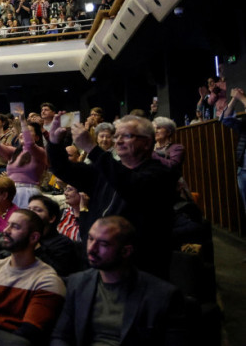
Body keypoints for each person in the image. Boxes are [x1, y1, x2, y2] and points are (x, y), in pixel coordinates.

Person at [46, 115, 178, 279]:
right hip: (98, 263)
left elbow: (132, 187)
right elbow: (63, 169)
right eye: (117, 136)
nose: (119, 141)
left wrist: (92, 149)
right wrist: (54, 143)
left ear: (147, 142)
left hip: (138, 271)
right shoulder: (105, 171)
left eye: (127, 136)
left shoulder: (160, 175)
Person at [50, 216, 186, 346]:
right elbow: (60, 336)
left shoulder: (162, 295)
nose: (92, 249)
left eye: (103, 244)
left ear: (126, 251)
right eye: (91, 239)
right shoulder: (78, 283)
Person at [0, 210, 66, 346]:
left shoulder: (48, 281)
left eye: (15, 227)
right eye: (8, 224)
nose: (6, 230)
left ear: (33, 238)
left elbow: (29, 334)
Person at [0, 108, 47, 207]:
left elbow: (29, 143)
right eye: (21, 132)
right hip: (12, 191)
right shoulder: (15, 152)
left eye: (27, 131)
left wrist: (23, 121)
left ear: (37, 137)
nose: (22, 134)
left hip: (29, 192)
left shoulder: (40, 152)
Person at [27, 194, 84, 278]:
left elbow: (56, 273)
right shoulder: (24, 237)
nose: (30, 214)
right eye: (29, 209)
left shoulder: (63, 244)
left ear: (51, 218)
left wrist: (37, 248)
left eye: (37, 210)